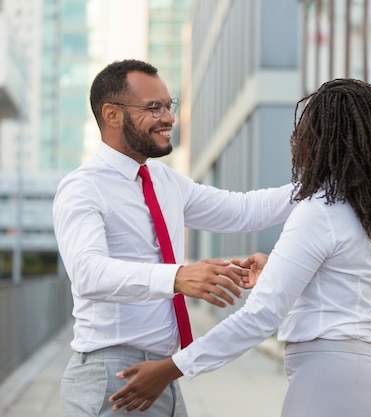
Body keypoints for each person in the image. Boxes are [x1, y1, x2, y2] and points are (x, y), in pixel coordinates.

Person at [109, 78, 371, 417]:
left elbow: (260, 316)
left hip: (330, 378)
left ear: (323, 139)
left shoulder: (318, 212)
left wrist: (172, 368)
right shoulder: (364, 212)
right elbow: (340, 287)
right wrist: (277, 268)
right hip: (367, 373)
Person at [52, 59, 295, 417]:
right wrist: (178, 277)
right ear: (112, 114)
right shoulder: (83, 187)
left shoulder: (165, 181)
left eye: (169, 105)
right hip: (113, 375)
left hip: (162, 374)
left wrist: (324, 184)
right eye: (154, 108)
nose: (169, 118)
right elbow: (88, 273)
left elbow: (244, 211)